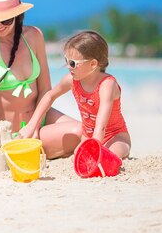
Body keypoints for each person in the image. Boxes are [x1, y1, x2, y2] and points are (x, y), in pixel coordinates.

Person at [0, 0, 81, 158]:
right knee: (77, 132)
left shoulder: (34, 36)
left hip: (40, 119)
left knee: (86, 131)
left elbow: (45, 89)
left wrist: (34, 126)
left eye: (5, 20)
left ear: (17, 15)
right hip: (11, 134)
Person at [19, 30, 131, 159]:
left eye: (73, 63)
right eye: (66, 60)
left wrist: (94, 147)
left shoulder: (107, 85)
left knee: (109, 157)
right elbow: (50, 96)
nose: (68, 66)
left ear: (93, 64)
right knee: (78, 156)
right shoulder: (71, 80)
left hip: (115, 136)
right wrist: (32, 125)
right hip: (87, 135)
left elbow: (101, 126)